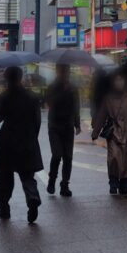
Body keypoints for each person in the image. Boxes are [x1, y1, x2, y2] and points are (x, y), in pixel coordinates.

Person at [0, 66, 42, 222]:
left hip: (8, 142)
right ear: (21, 78)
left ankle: (4, 209)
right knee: (27, 176)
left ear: (6, 79)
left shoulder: (3, 97)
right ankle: (32, 197)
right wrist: (32, 137)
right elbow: (37, 122)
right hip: (27, 140)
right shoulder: (32, 97)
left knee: (5, 179)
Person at [91, 74, 127, 195]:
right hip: (114, 134)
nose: (119, 83)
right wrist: (95, 132)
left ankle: (124, 185)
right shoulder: (108, 98)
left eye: (121, 80)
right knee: (114, 160)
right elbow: (102, 115)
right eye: (117, 81)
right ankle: (113, 183)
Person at [44, 63, 81, 196]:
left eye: (67, 72)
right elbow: (49, 103)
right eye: (62, 71)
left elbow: (76, 106)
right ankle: (52, 181)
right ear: (58, 72)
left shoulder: (73, 88)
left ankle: (65, 184)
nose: (65, 74)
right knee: (57, 154)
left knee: (68, 157)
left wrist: (77, 124)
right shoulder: (52, 87)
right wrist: (62, 92)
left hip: (68, 126)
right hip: (54, 126)